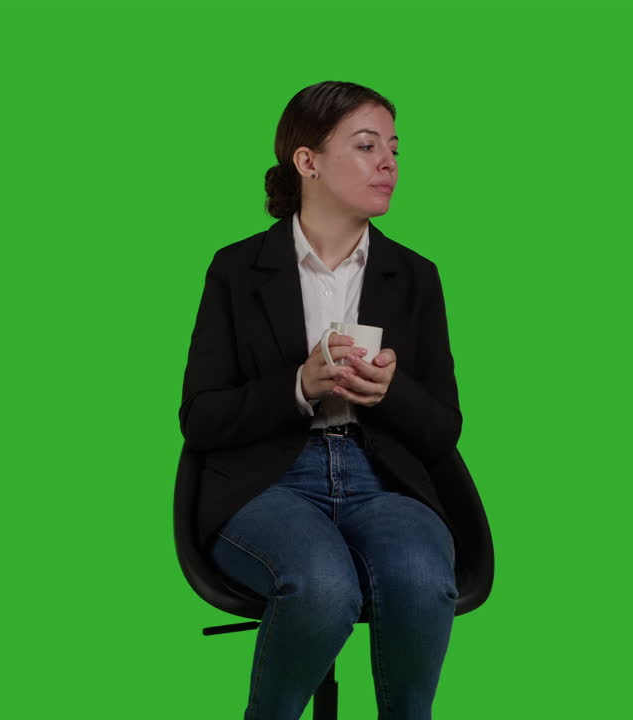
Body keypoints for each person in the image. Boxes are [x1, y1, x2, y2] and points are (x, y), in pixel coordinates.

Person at [180, 81, 464, 720]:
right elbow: (199, 418)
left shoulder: (416, 276)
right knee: (321, 585)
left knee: (423, 580)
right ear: (307, 162)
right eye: (367, 146)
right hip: (269, 481)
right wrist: (298, 388)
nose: (388, 162)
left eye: (394, 148)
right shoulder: (235, 269)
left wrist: (390, 393)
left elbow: (445, 426)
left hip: (382, 479)